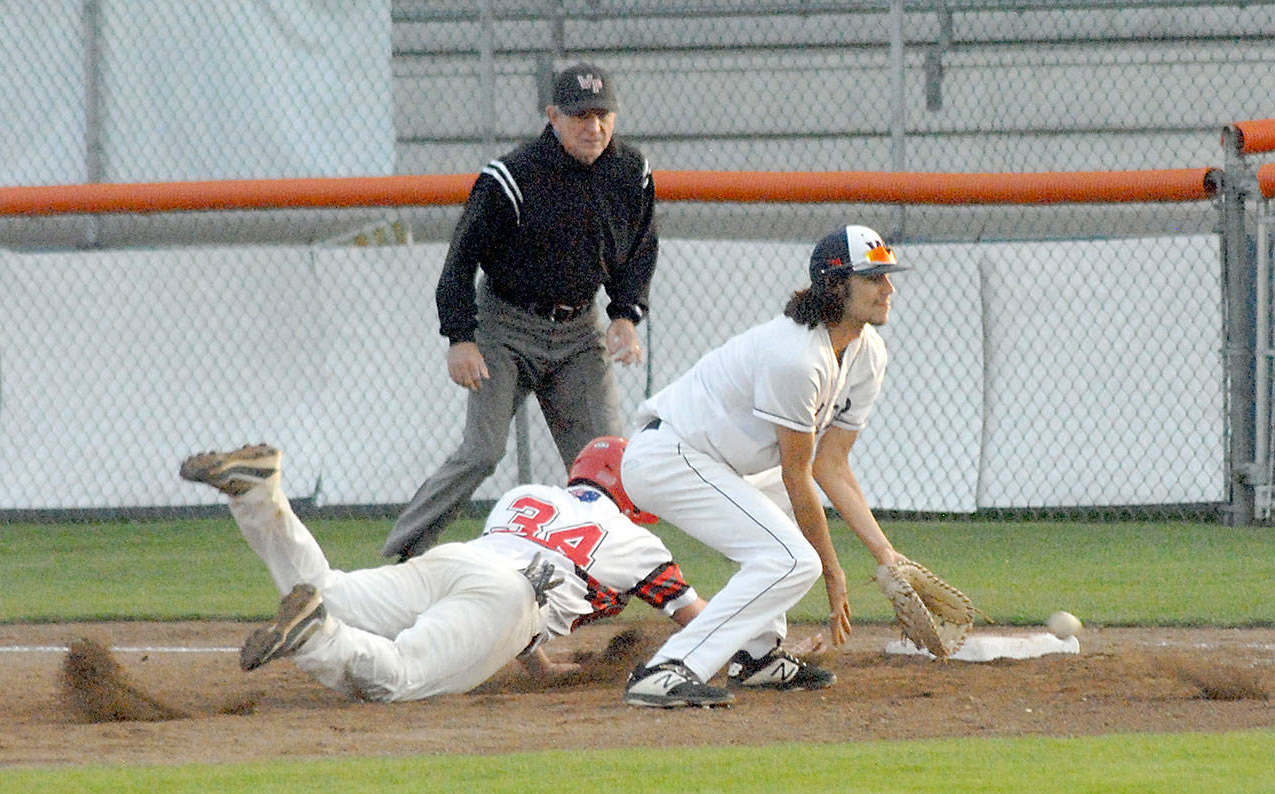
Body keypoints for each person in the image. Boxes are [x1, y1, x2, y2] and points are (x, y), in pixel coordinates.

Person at [179, 437, 727, 705]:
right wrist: (769, 651)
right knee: (400, 678)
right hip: (508, 597)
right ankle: (317, 638)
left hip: (454, 562)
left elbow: (520, 578)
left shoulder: (527, 495)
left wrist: (541, 670)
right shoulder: (639, 542)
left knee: (328, 589)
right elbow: (705, 624)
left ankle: (257, 495)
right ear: (632, 491)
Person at [618, 225, 912, 708]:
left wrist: (887, 554)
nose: (889, 288)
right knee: (791, 559)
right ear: (837, 284)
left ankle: (756, 657)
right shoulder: (796, 357)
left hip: (724, 460)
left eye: (888, 275)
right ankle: (667, 669)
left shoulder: (867, 352)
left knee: (782, 542)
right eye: (874, 276)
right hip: (669, 456)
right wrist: (833, 575)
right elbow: (799, 476)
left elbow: (831, 465)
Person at [384, 61, 658, 562]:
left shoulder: (630, 171)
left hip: (579, 331)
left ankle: (605, 573)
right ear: (553, 116)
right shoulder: (512, 175)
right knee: (482, 452)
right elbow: (460, 259)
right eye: (579, 115)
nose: (592, 126)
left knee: (607, 464)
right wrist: (459, 336)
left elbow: (640, 248)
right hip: (505, 327)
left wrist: (625, 313)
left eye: (602, 114)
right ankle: (401, 555)